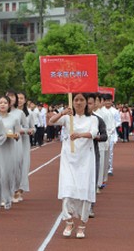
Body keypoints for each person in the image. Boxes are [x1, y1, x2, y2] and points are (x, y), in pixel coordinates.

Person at [48, 92, 98, 239]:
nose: (79, 102)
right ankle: (69, 221)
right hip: (69, 158)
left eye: (82, 100)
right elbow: (51, 121)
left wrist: (79, 135)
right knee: (67, 190)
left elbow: (93, 133)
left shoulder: (93, 119)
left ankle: (82, 225)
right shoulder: (68, 118)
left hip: (85, 159)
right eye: (76, 100)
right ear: (72, 102)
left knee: (83, 191)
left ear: (87, 103)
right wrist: (62, 112)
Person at [0, 95, 21, 209]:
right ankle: (0, 197)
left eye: (5, 103)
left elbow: (18, 134)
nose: (2, 105)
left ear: (9, 104)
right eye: (0, 102)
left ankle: (7, 196)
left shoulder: (14, 118)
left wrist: (15, 136)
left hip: (9, 148)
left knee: (7, 174)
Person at [86, 92, 108, 218]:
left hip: (93, 154)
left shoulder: (98, 119)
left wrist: (96, 137)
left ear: (95, 104)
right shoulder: (76, 120)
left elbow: (105, 136)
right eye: (86, 102)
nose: (87, 105)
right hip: (78, 156)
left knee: (92, 180)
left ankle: (90, 207)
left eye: (90, 103)